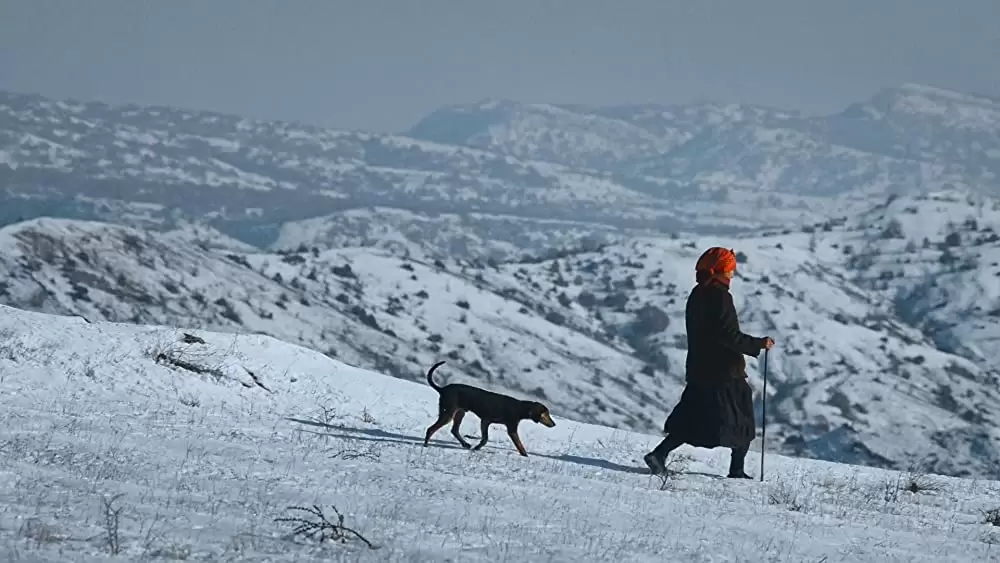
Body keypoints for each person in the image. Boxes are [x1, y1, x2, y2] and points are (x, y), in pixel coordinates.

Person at [643, 247, 774, 479]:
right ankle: (736, 470)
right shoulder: (720, 296)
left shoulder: (698, 293)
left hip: (699, 369)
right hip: (725, 372)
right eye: (730, 269)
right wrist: (758, 344)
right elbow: (728, 336)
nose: (732, 274)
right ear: (722, 270)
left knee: (692, 418)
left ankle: (659, 454)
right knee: (743, 418)